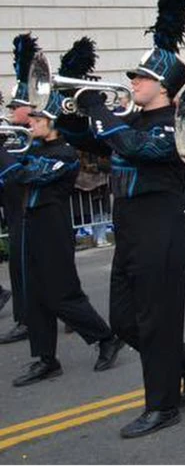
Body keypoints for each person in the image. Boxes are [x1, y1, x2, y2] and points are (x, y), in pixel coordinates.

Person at [57, 0, 185, 438]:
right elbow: (89, 138)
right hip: (130, 231)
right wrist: (68, 108)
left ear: (162, 87)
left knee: (156, 320)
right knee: (126, 321)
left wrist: (99, 111)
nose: (132, 82)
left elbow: (134, 147)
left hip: (160, 231)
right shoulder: (132, 118)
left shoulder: (175, 125)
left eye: (140, 78)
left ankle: (163, 406)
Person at [2, 36, 123, 386]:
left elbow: (22, 175)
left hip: (53, 227)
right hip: (29, 223)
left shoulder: (64, 156)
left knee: (61, 294)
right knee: (36, 297)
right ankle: (44, 358)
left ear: (52, 121)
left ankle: (105, 337)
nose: (30, 122)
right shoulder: (33, 146)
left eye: (36, 117)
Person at [0, 33, 37, 346]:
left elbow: (18, 172)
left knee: (26, 268)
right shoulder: (15, 135)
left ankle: (26, 320)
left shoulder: (32, 138)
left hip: (30, 212)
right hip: (14, 210)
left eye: (17, 106)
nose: (12, 111)